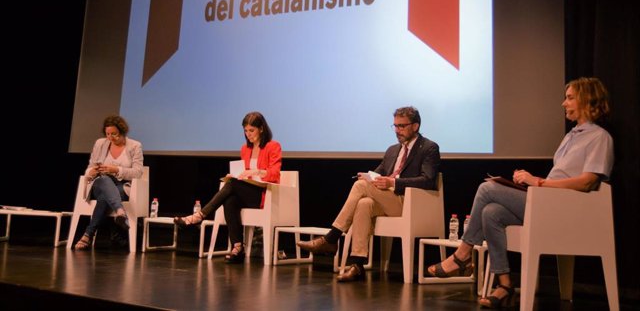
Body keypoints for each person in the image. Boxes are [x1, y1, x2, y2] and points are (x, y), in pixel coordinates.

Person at [427, 77, 614, 308]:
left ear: (587, 99)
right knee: (491, 213)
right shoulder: (572, 135)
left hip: (565, 209)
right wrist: (532, 183)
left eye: (570, 98)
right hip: (547, 202)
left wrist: (538, 182)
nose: (563, 104)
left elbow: (587, 182)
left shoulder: (599, 137)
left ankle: (463, 255)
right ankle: (505, 284)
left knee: (487, 188)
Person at [297, 106, 441, 282]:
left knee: (360, 187)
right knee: (363, 203)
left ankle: (332, 238)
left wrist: (393, 182)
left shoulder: (429, 148)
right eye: (395, 126)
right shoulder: (392, 150)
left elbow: (428, 180)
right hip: (389, 200)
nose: (397, 130)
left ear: (416, 126)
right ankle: (357, 264)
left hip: (410, 202)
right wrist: (369, 176)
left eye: (402, 126)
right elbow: (378, 173)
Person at [174, 111, 282, 263]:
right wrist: (236, 175)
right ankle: (237, 247)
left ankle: (199, 216)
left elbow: (275, 174)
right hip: (247, 191)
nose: (248, 134)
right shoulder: (245, 149)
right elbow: (245, 174)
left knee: (231, 186)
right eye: (245, 130)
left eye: (252, 130)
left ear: (261, 129)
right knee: (230, 199)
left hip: (263, 195)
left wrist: (257, 171)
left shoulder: (273, 146)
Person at [73, 115, 144, 250]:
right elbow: (89, 168)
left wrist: (116, 169)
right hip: (100, 183)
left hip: (122, 186)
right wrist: (92, 172)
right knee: (104, 180)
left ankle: (88, 234)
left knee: (104, 198)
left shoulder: (135, 146)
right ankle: (120, 211)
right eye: (108, 134)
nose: (111, 137)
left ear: (122, 132)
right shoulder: (100, 143)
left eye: (114, 134)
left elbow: (138, 172)